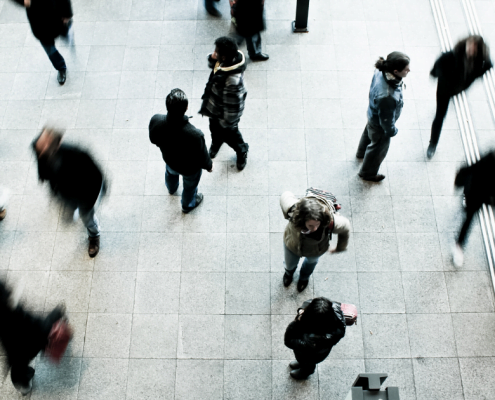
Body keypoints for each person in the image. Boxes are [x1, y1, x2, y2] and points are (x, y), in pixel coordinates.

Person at [32, 128, 105, 257]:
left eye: (45, 145)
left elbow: (96, 174)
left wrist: (91, 199)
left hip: (83, 194)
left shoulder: (76, 154)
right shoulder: (38, 148)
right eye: (40, 147)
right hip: (64, 193)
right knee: (70, 211)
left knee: (87, 216)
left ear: (57, 144)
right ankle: (73, 211)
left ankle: (94, 236)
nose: (41, 148)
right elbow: (42, 166)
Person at [0, 280, 70, 395]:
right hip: (30, 338)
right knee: (46, 327)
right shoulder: (12, 311)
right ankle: (59, 314)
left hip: (19, 347)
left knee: (18, 369)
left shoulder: (9, 316)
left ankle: (23, 385)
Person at [428, 35, 492, 158]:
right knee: (440, 115)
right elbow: (436, 68)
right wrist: (438, 74)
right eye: (470, 46)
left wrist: (474, 76)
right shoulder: (450, 56)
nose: (471, 50)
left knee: (440, 114)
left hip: (458, 88)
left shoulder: (479, 61)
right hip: (444, 90)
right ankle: (433, 144)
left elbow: (488, 66)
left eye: (475, 48)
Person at [149, 89, 213, 213]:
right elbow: (202, 156)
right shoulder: (195, 135)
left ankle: (171, 189)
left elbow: (153, 139)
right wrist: (209, 166)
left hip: (169, 160)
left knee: (170, 174)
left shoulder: (156, 120)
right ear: (186, 108)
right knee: (190, 187)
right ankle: (187, 205)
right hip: (189, 169)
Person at [280, 191, 350, 292]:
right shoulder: (294, 212)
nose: (315, 229)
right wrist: (295, 205)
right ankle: (288, 273)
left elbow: (345, 225)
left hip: (316, 249)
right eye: (311, 225)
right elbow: (285, 195)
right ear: (302, 220)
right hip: (292, 243)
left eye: (318, 224)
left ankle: (304, 278)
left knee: (311, 263)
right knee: (289, 263)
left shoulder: (329, 220)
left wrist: (340, 247)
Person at [356, 52, 410, 182]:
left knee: (368, 134)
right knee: (378, 148)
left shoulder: (381, 71)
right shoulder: (387, 96)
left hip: (372, 114)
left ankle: (361, 153)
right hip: (380, 125)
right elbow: (386, 121)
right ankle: (368, 173)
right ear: (396, 71)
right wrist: (392, 131)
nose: (409, 70)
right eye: (406, 69)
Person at [199, 36, 249, 170]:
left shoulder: (233, 81)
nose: (213, 54)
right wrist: (213, 58)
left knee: (232, 137)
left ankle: (241, 151)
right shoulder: (224, 62)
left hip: (226, 118)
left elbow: (233, 108)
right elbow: (214, 66)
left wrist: (226, 124)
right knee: (214, 129)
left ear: (225, 57)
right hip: (215, 108)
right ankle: (216, 142)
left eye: (216, 52)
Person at [12, 0, 74, 85]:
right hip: (40, 26)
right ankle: (61, 67)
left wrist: (67, 14)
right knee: (49, 50)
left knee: (63, 31)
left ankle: (66, 31)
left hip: (57, 17)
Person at [284, 297, 346, 380]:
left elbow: (289, 341)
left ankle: (304, 373)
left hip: (311, 355)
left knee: (307, 364)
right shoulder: (332, 311)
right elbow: (309, 302)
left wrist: (296, 322)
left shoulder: (312, 339)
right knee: (304, 361)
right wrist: (301, 309)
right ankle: (301, 364)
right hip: (319, 353)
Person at [452, 150, 495, 267]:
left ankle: (459, 246)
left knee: (469, 217)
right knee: (469, 218)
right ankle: (459, 245)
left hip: (487, 192)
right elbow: (475, 170)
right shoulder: (492, 158)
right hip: (479, 191)